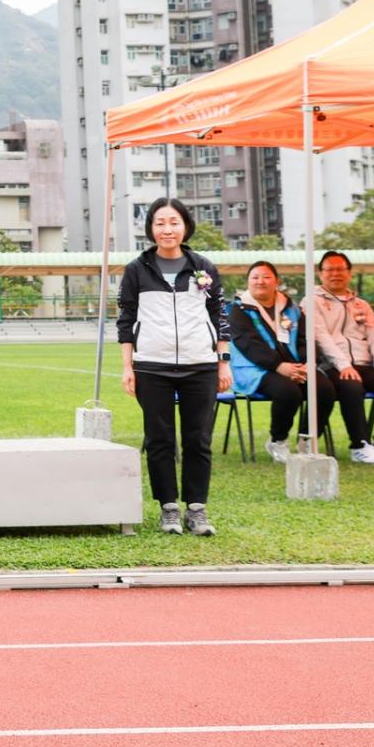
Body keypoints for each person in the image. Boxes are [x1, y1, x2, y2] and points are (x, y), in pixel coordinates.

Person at [116, 197, 230, 536]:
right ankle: (168, 508)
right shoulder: (137, 269)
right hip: (152, 366)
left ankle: (197, 509)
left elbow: (219, 316)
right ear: (151, 228)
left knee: (199, 439)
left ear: (185, 226)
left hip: (201, 365)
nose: (167, 229)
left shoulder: (203, 267)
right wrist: (128, 367)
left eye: (174, 222)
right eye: (160, 223)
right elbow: (126, 320)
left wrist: (223, 363)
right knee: (159, 439)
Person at [228, 262, 374, 465]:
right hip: (256, 368)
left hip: (295, 367)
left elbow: (306, 338)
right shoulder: (238, 309)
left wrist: (305, 363)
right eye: (255, 277)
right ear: (248, 282)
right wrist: (279, 366)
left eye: (266, 277)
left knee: (325, 389)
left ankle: (307, 439)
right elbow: (249, 344)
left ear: (277, 281)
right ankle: (278, 440)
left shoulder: (290, 308)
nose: (261, 281)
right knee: (288, 391)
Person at [308, 250, 374, 464]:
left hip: (364, 364)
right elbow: (321, 337)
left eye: (340, 269)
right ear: (320, 273)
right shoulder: (311, 302)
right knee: (352, 387)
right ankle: (360, 445)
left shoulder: (360, 304)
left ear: (349, 273)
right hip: (332, 366)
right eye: (330, 269)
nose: (335, 274)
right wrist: (344, 365)